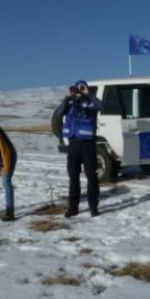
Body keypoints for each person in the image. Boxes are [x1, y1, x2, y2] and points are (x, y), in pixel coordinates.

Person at [56, 80, 102, 218]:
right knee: (73, 177)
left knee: (91, 176)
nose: (79, 90)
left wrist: (88, 94)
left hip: (88, 144)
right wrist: (68, 97)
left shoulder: (90, 103)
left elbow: (101, 106)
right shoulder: (69, 104)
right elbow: (59, 113)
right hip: (73, 145)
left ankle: (93, 207)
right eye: (77, 88)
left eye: (82, 88)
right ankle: (73, 207)